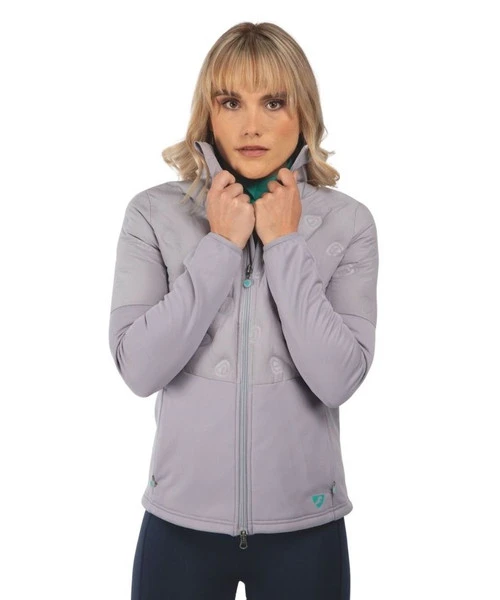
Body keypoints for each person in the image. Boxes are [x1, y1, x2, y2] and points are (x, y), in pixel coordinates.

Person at [108, 21, 378, 600]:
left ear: (302, 112)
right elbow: (138, 369)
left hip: (307, 529)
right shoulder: (152, 214)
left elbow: (338, 379)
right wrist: (221, 246)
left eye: (273, 102)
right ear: (209, 114)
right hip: (178, 525)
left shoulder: (349, 222)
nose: (251, 125)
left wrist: (284, 244)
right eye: (231, 102)